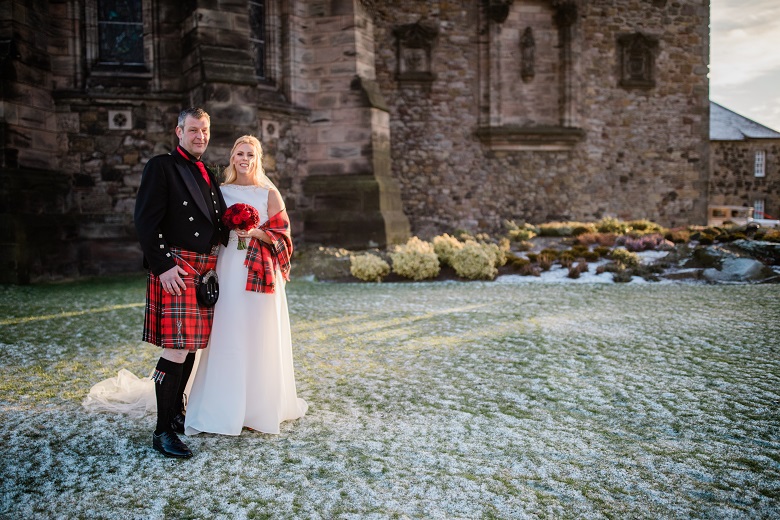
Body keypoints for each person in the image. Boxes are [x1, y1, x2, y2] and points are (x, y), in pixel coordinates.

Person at [184, 135, 308, 436]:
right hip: (228, 268)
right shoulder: (220, 191)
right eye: (239, 153)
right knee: (228, 331)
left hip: (259, 273)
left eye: (250, 154)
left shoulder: (268, 194)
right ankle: (221, 406)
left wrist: (255, 232)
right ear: (232, 156)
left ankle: (257, 408)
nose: (244, 159)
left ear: (258, 158)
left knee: (258, 333)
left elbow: (283, 234)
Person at [134, 107, 228, 458]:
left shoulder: (209, 171)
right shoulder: (162, 166)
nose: (200, 136)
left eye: (204, 130)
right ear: (178, 132)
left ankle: (175, 413)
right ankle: (161, 432)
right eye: (193, 130)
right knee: (175, 348)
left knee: (190, 346)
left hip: (204, 269)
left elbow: (216, 222)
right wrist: (163, 266)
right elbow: (145, 220)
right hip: (177, 266)